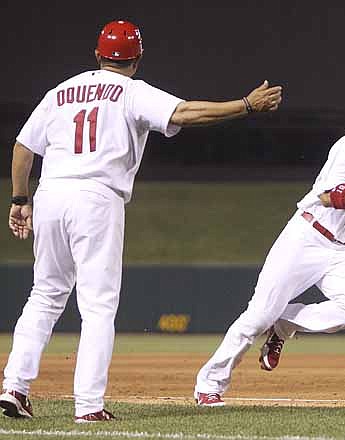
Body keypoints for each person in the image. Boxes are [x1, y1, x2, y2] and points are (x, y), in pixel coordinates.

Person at [0, 20, 282, 422]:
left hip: (50, 194)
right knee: (97, 306)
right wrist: (246, 105)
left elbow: (23, 148)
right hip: (97, 197)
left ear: (97, 54)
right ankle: (89, 406)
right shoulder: (131, 90)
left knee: (43, 295)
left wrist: (19, 199)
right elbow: (185, 112)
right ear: (138, 59)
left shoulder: (60, 92)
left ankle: (14, 386)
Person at [193, 95, 345, 406]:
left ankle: (285, 323)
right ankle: (209, 384)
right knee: (257, 316)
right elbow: (326, 195)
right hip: (308, 236)